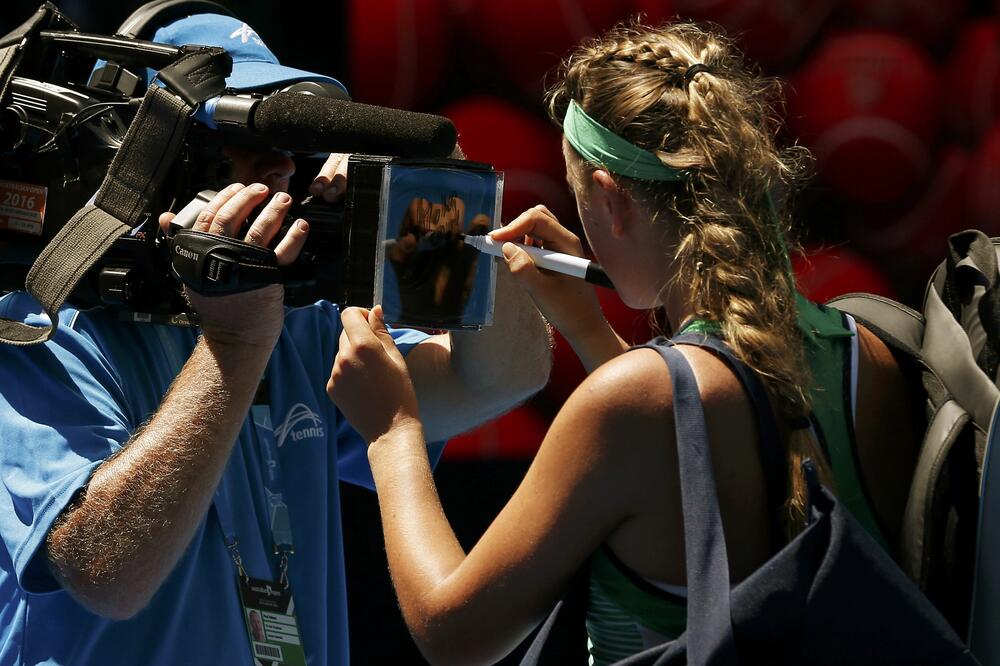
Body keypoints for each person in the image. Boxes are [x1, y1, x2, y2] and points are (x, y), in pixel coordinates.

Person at [326, 19, 924, 666]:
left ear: (609, 200)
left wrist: (392, 430)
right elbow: (697, 463)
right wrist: (590, 331)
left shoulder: (631, 404)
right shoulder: (867, 350)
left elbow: (453, 635)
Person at [0, 12, 550, 666]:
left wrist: (447, 195)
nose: (283, 164)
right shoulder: (42, 324)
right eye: (244, 134)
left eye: (291, 136)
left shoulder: (295, 314)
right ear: (144, 151)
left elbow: (503, 377)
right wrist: (233, 350)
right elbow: (106, 575)